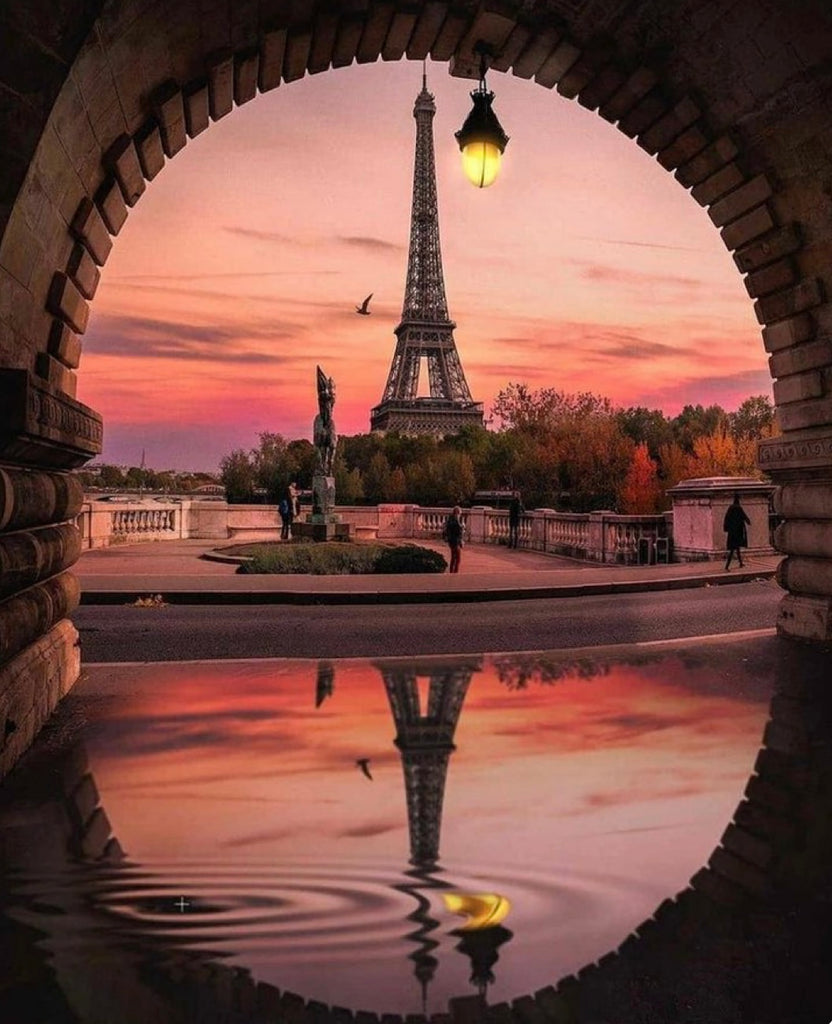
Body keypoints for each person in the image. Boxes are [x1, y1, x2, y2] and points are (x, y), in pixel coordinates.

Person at [723, 492, 750, 570]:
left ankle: (740, 563)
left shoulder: (730, 508)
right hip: (738, 531)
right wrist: (748, 521)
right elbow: (744, 516)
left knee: (736, 548)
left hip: (732, 531)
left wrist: (726, 528)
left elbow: (726, 518)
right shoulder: (738, 508)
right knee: (733, 549)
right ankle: (727, 566)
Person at [444, 506, 464, 574]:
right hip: (455, 541)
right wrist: (461, 541)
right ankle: (455, 572)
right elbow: (458, 532)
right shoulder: (456, 521)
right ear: (457, 513)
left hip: (451, 541)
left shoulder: (450, 519)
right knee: (458, 558)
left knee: (453, 557)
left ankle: (451, 571)